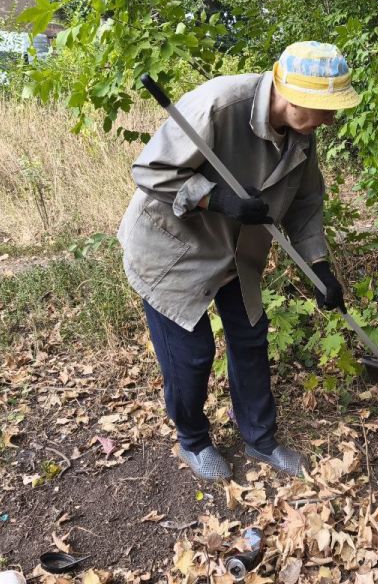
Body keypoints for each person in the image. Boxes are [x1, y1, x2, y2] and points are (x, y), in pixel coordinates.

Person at [117, 41, 360, 481]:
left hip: (236, 254)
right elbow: (149, 172)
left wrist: (319, 267)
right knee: (191, 356)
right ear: (290, 95)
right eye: (325, 109)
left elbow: (305, 203)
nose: (330, 119)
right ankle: (193, 440)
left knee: (250, 340)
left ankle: (260, 438)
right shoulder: (217, 106)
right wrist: (216, 197)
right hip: (174, 252)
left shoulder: (302, 137)